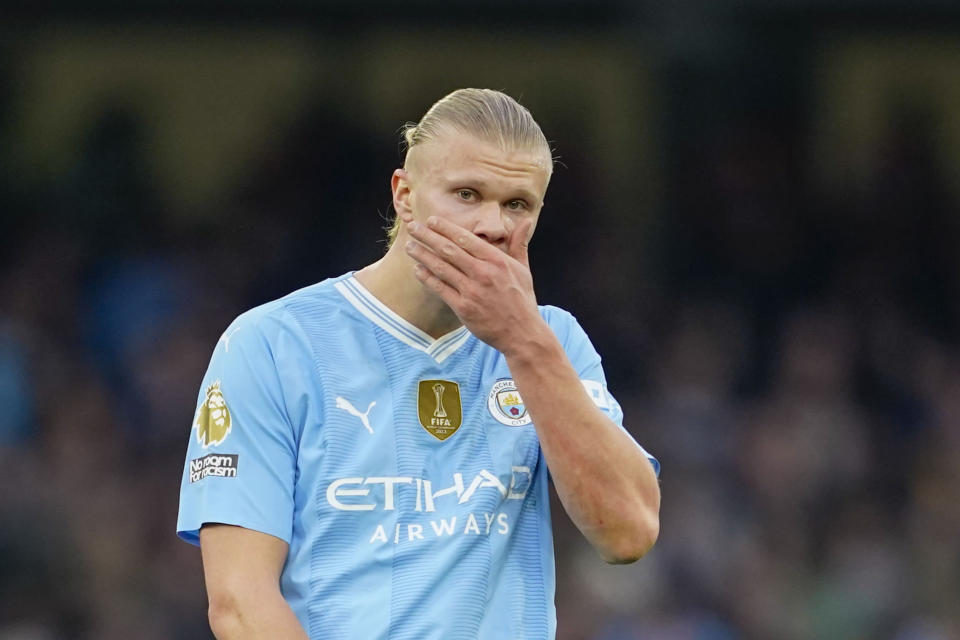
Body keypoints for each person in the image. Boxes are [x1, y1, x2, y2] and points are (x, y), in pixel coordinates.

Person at [177, 88, 661, 640]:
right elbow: (240, 604)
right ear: (405, 195)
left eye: (517, 204)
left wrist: (524, 342)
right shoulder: (271, 344)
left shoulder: (554, 344)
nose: (493, 225)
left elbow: (629, 534)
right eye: (467, 194)